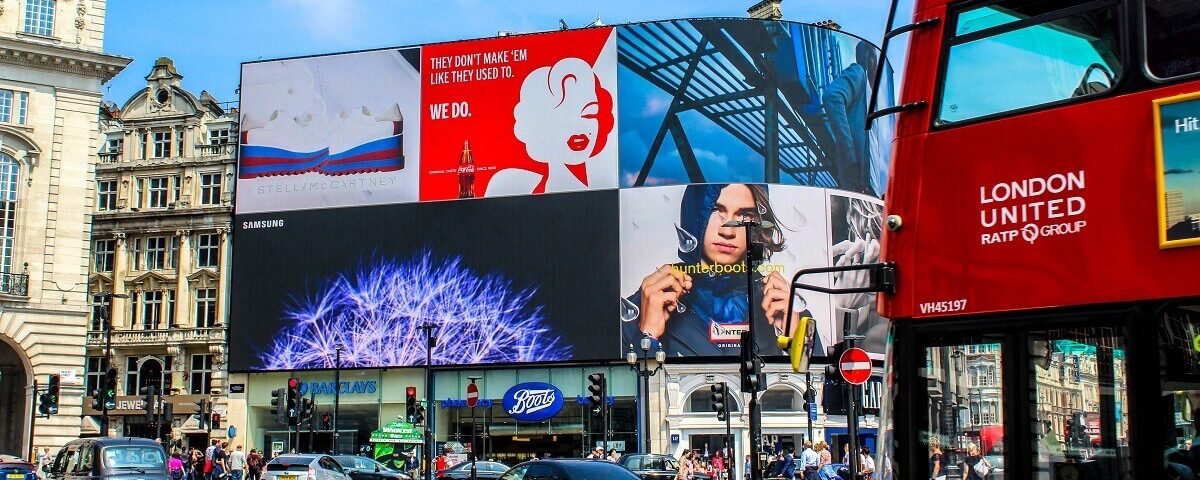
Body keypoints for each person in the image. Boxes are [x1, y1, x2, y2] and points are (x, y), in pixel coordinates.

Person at [622, 183, 818, 357]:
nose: (727, 231)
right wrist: (647, 337)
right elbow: (621, 393)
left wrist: (794, 343)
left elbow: (821, 393)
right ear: (695, 214)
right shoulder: (646, 303)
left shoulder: (790, 310)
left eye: (744, 216)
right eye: (716, 210)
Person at [489, 46, 617, 197]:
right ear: (535, 123)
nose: (579, 126)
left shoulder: (608, 193)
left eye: (589, 114)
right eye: (563, 117)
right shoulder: (510, 184)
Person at [821, 40, 879, 196]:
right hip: (858, 177)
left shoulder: (872, 96)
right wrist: (850, 156)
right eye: (873, 56)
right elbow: (832, 96)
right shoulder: (858, 72)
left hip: (872, 183)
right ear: (868, 57)